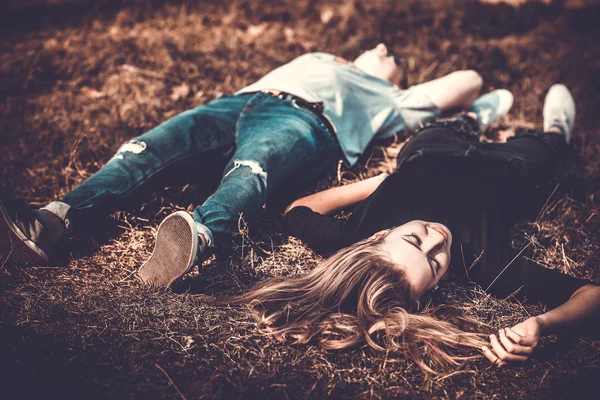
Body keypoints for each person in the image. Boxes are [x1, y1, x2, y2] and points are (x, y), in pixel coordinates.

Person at [0, 44, 483, 288]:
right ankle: (51, 223)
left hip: (308, 122)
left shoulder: (393, 100)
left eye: (393, 57)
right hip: (236, 104)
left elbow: (471, 81)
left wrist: (403, 89)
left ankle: (205, 236)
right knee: (143, 151)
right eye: (381, 48)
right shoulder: (318, 57)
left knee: (253, 169)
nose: (384, 50)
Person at [236, 84, 600, 370]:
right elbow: (591, 293)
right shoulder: (486, 265)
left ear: (380, 236)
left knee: (442, 130)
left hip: (431, 152)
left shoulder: (354, 236)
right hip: (513, 167)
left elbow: (297, 211)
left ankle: (472, 118)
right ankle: (555, 131)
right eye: (436, 263)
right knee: (544, 150)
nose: (437, 240)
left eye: (414, 238)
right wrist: (541, 324)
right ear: (435, 287)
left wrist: (380, 182)